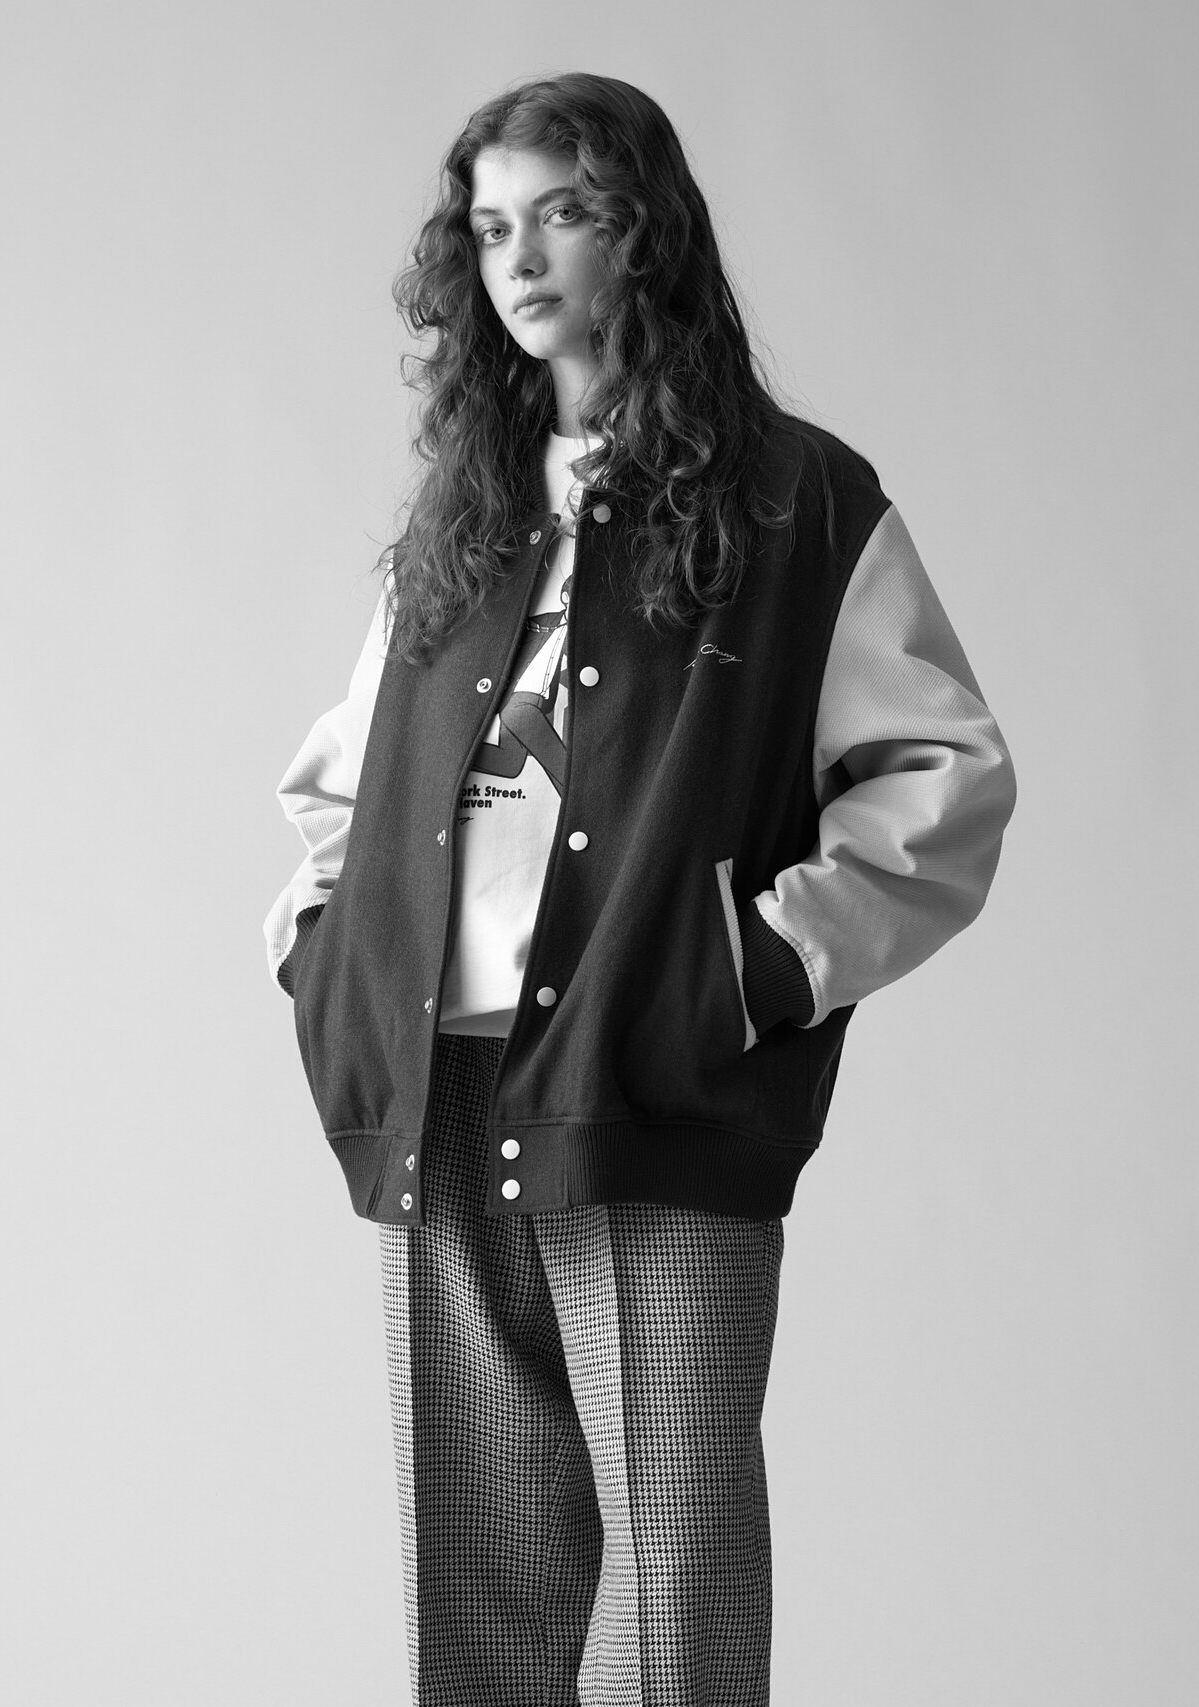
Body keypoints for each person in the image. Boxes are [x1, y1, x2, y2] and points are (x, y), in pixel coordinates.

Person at [263, 70, 1016, 1707]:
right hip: (442, 1085)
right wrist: (327, 959)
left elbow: (942, 781)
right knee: (483, 1583)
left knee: (671, 1589)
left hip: (655, 1078)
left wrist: (752, 973)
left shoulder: (796, 501)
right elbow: (346, 780)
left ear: (647, 231)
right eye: (491, 230)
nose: (522, 261)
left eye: (565, 215)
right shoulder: (464, 510)